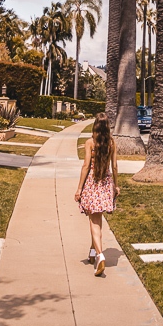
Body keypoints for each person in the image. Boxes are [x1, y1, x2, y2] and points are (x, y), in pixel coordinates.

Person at [74, 112, 120, 276]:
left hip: (92, 184)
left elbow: (86, 166)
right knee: (97, 219)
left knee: (94, 221)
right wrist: (116, 185)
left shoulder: (90, 143)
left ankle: (100, 255)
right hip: (105, 183)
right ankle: (93, 252)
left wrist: (79, 188)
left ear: (95, 126)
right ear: (107, 127)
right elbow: (114, 167)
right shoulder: (112, 144)